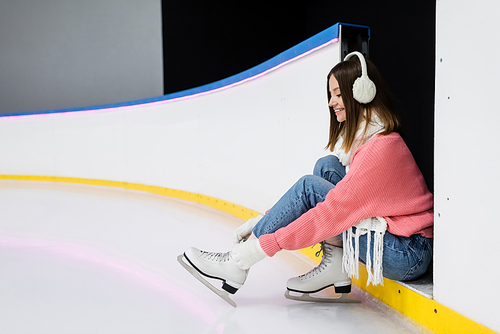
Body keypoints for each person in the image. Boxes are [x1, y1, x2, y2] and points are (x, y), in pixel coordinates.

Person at [180, 52, 434, 302]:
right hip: (400, 241)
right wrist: (263, 219)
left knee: (309, 187)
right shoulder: (368, 142)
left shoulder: (380, 149)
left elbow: (329, 214)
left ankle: (237, 262)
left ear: (361, 94)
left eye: (338, 94)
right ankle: (336, 267)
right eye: (330, 94)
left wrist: (258, 248)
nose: (331, 102)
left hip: (408, 253)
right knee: (327, 166)